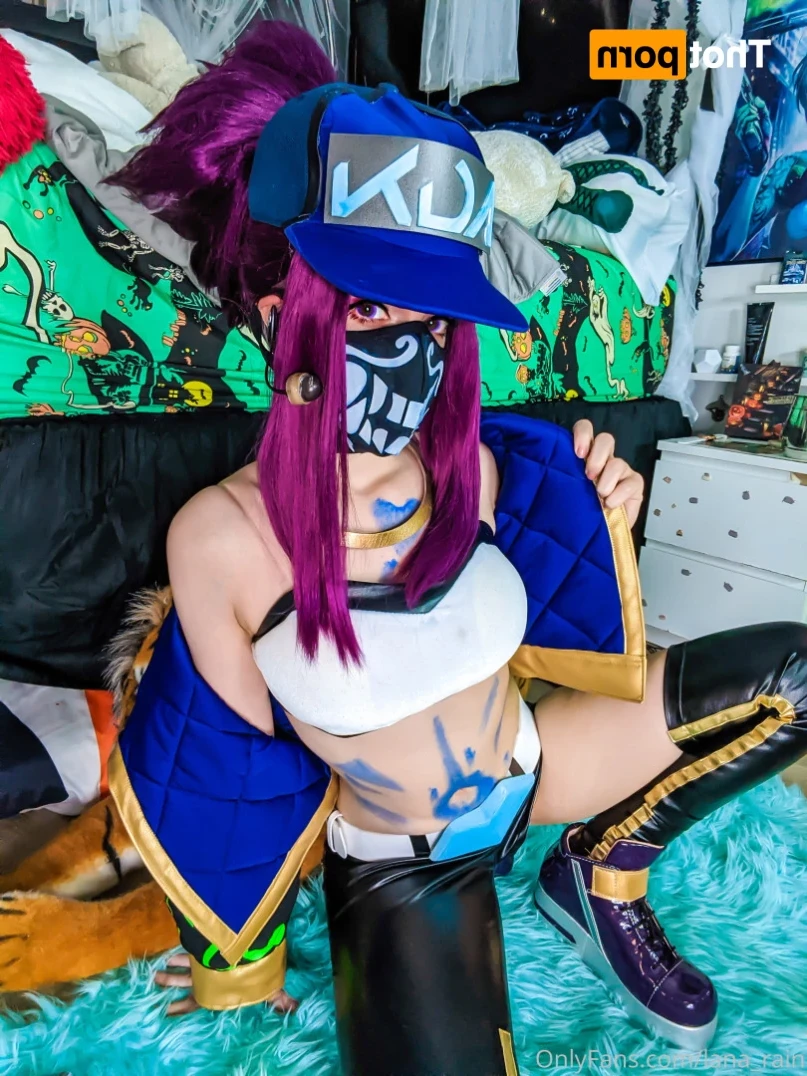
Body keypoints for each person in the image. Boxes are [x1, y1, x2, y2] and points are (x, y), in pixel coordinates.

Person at [75, 22, 807, 1076]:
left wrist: (606, 503)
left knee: (796, 676)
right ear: (282, 321)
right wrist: (237, 966)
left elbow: (562, 602)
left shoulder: (486, 466)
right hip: (406, 866)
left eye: (432, 319)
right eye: (371, 307)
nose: (408, 354)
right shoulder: (223, 540)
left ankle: (599, 870)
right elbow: (231, 769)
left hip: (541, 769)